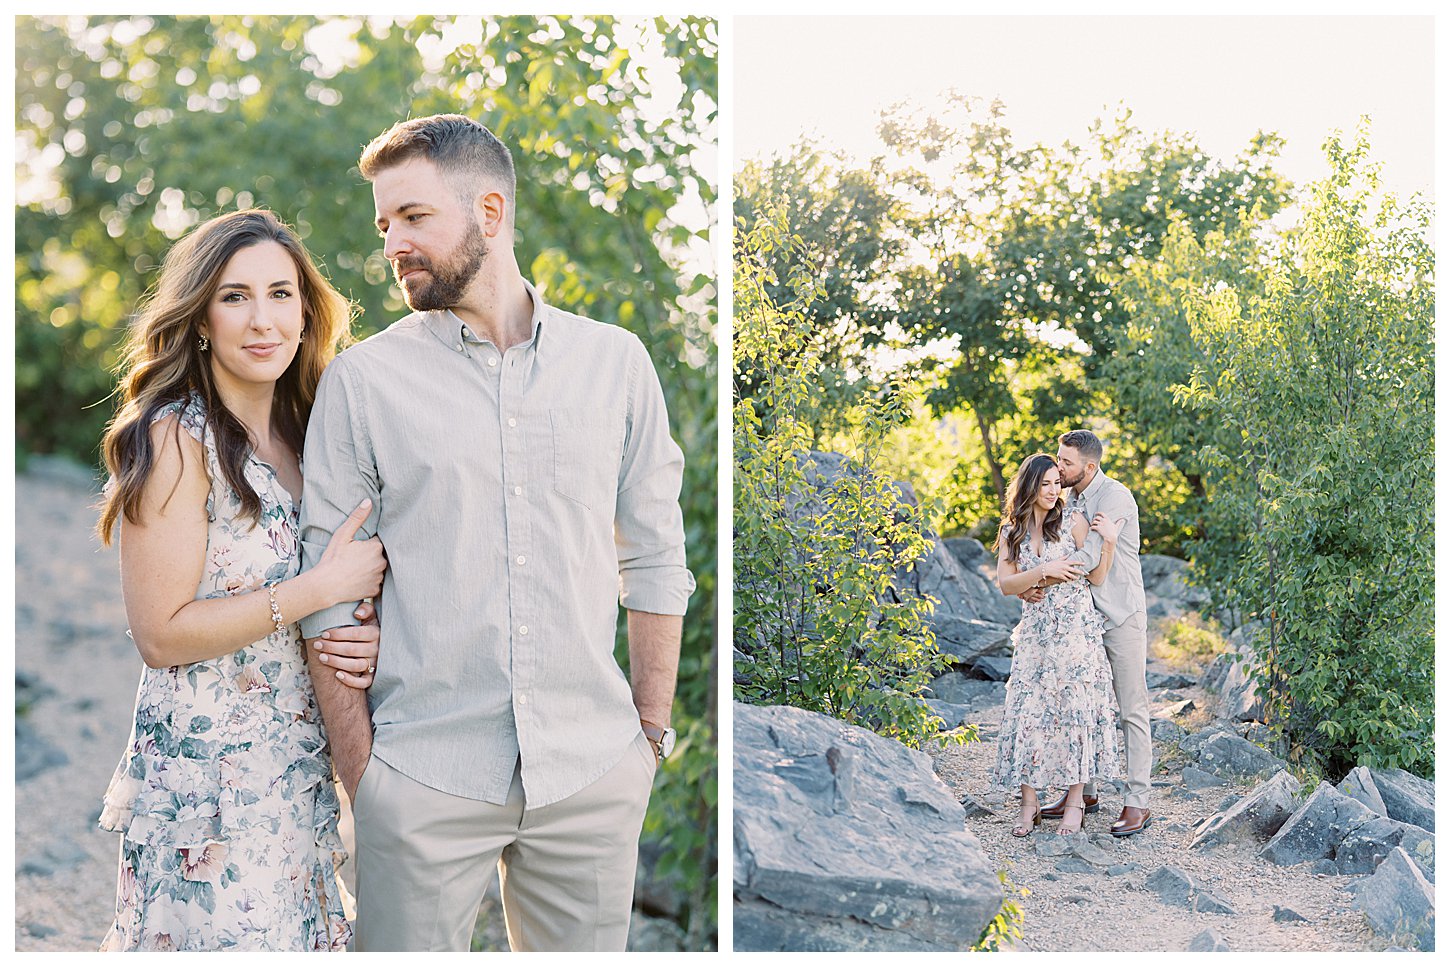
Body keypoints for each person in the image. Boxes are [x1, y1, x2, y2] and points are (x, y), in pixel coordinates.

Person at [296, 114, 694, 952]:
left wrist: (646, 739)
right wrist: (365, 775)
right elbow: (324, 591)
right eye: (384, 226)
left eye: (413, 217)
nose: (393, 243)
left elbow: (656, 556)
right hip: (421, 772)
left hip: (591, 771)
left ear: (488, 210)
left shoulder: (616, 363)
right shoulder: (363, 382)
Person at [95, 209, 389, 951]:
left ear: (305, 309)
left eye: (280, 294)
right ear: (199, 319)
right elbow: (161, 634)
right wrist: (319, 590)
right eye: (234, 296)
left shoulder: (313, 431)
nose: (262, 319)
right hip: (208, 793)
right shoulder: (173, 436)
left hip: (295, 775)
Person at [990, 453, 1123, 837]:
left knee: (1074, 714)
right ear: (1030, 486)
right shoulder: (1010, 531)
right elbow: (1006, 584)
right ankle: (1029, 804)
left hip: (1075, 633)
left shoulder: (1072, 522)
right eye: (1045, 483)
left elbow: (1095, 576)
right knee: (1029, 712)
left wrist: (1109, 545)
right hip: (1035, 635)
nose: (1053, 490)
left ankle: (1076, 802)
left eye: (1056, 482)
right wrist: (1043, 572)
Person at [1030, 429, 1152, 837]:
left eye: (1065, 462)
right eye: (1059, 460)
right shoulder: (1072, 499)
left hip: (1120, 615)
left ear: (1089, 466)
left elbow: (1087, 558)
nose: (1058, 467)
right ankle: (1084, 793)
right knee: (1081, 705)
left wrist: (1041, 576)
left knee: (1130, 708)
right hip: (1082, 621)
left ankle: (1138, 802)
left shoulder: (1115, 498)